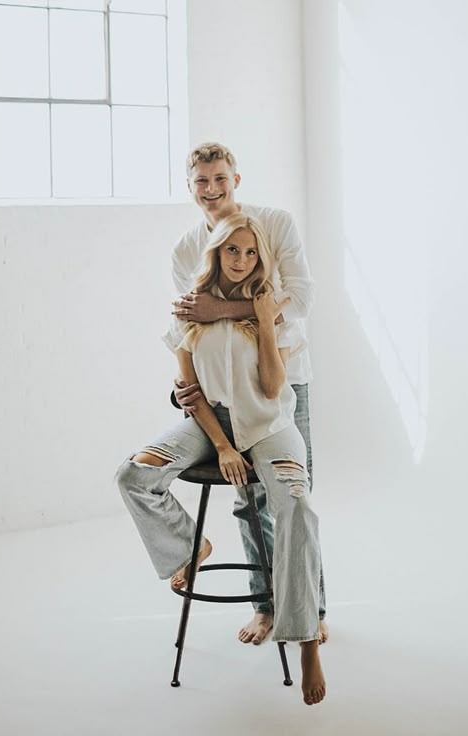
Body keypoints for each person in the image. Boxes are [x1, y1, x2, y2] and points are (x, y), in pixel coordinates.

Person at [116, 213, 326, 705]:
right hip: (211, 425)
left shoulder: (267, 308)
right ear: (215, 253)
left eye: (251, 252)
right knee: (135, 474)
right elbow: (190, 392)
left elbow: (275, 387)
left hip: (272, 425)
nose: (242, 259)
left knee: (294, 503)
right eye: (232, 250)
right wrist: (225, 446)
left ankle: (306, 638)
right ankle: (189, 547)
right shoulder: (189, 311)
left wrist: (260, 321)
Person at [170, 142, 328, 646]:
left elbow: (299, 297)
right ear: (190, 186)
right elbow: (191, 332)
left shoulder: (275, 223)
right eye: (202, 182)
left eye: (221, 178)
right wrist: (186, 387)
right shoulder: (185, 250)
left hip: (283, 377)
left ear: (237, 178)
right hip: (223, 395)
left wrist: (223, 310)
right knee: (247, 501)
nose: (212, 190)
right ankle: (264, 607)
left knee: (292, 496)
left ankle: (310, 610)